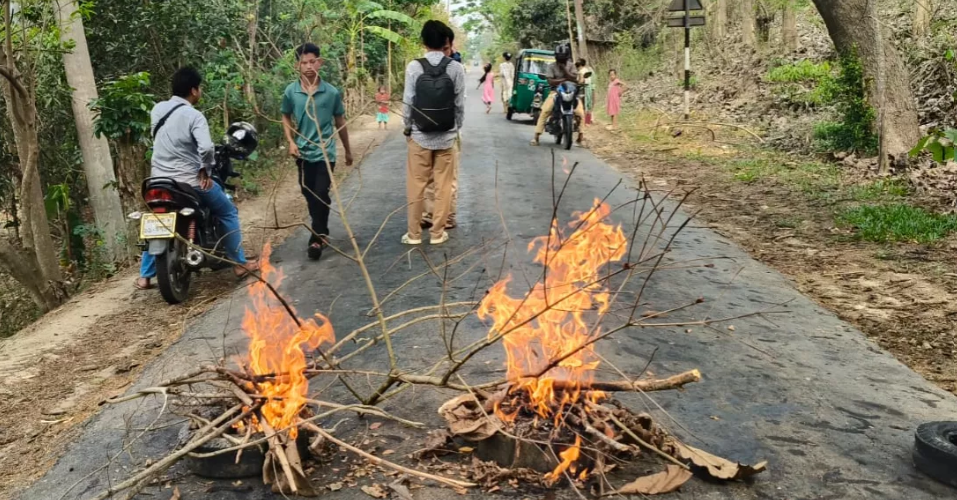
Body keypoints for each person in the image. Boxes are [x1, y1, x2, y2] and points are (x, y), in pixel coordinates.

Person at [134, 67, 259, 290]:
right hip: (188, 183)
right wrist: (205, 170)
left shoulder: (157, 109)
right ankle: (239, 264)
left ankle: (144, 276)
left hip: (157, 182)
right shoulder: (194, 115)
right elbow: (206, 148)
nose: (199, 92)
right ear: (193, 90)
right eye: (199, 88)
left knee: (157, 219)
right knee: (227, 210)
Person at [281, 43, 354, 261]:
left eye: (313, 61)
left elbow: (340, 121)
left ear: (320, 63)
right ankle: (321, 228)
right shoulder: (290, 91)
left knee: (320, 192)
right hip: (303, 153)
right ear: (297, 65)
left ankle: (316, 237)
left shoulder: (331, 92)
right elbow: (285, 115)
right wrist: (290, 141)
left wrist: (348, 151)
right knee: (308, 191)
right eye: (304, 62)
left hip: (325, 152)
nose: (309, 66)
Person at [402, 20, 465, 246]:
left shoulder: (414, 67)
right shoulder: (456, 68)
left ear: (424, 42)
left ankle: (414, 234)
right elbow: (459, 104)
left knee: (416, 185)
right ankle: (438, 233)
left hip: (419, 136)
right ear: (447, 42)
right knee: (444, 186)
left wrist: (408, 127)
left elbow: (408, 101)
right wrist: (455, 128)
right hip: (446, 137)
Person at [423, 31, 464, 231]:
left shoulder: (456, 68)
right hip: (427, 130)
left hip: (449, 130)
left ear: (450, 47)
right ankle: (430, 214)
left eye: (446, 48)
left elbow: (459, 104)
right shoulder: (424, 68)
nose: (443, 53)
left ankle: (447, 216)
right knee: (430, 174)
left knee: (449, 177)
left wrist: (456, 129)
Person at [531, 42, 585, 147]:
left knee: (580, 113)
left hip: (571, 92)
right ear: (555, 57)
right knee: (545, 111)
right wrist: (565, 78)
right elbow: (551, 81)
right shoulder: (551, 66)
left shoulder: (571, 66)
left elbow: (574, 78)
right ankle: (536, 136)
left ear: (566, 57)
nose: (560, 60)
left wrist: (564, 70)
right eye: (558, 58)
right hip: (555, 92)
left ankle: (581, 138)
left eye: (562, 58)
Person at [576, 58, 594, 125]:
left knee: (583, 105)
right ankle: (588, 121)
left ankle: (583, 121)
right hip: (588, 88)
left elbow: (581, 81)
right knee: (588, 105)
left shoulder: (581, 71)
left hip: (584, 89)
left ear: (579, 65)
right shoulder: (586, 70)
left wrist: (577, 83)